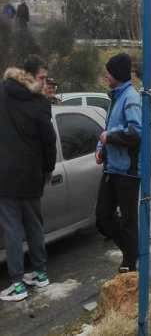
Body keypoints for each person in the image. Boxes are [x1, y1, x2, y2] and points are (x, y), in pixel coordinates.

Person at [0, 56, 56, 301]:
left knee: (12, 228)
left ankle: (18, 284)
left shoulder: (2, 92)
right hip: (32, 175)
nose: (45, 83)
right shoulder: (40, 104)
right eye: (43, 78)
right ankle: (40, 275)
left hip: (6, 175)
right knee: (34, 225)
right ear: (30, 75)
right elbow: (49, 142)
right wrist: (48, 169)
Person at [94, 53, 142, 273]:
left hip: (128, 171)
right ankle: (132, 250)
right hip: (111, 167)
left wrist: (109, 137)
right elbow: (107, 128)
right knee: (103, 215)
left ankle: (130, 263)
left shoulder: (131, 98)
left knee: (129, 220)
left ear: (118, 75)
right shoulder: (115, 96)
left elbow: (135, 133)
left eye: (109, 72)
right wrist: (100, 147)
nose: (106, 75)